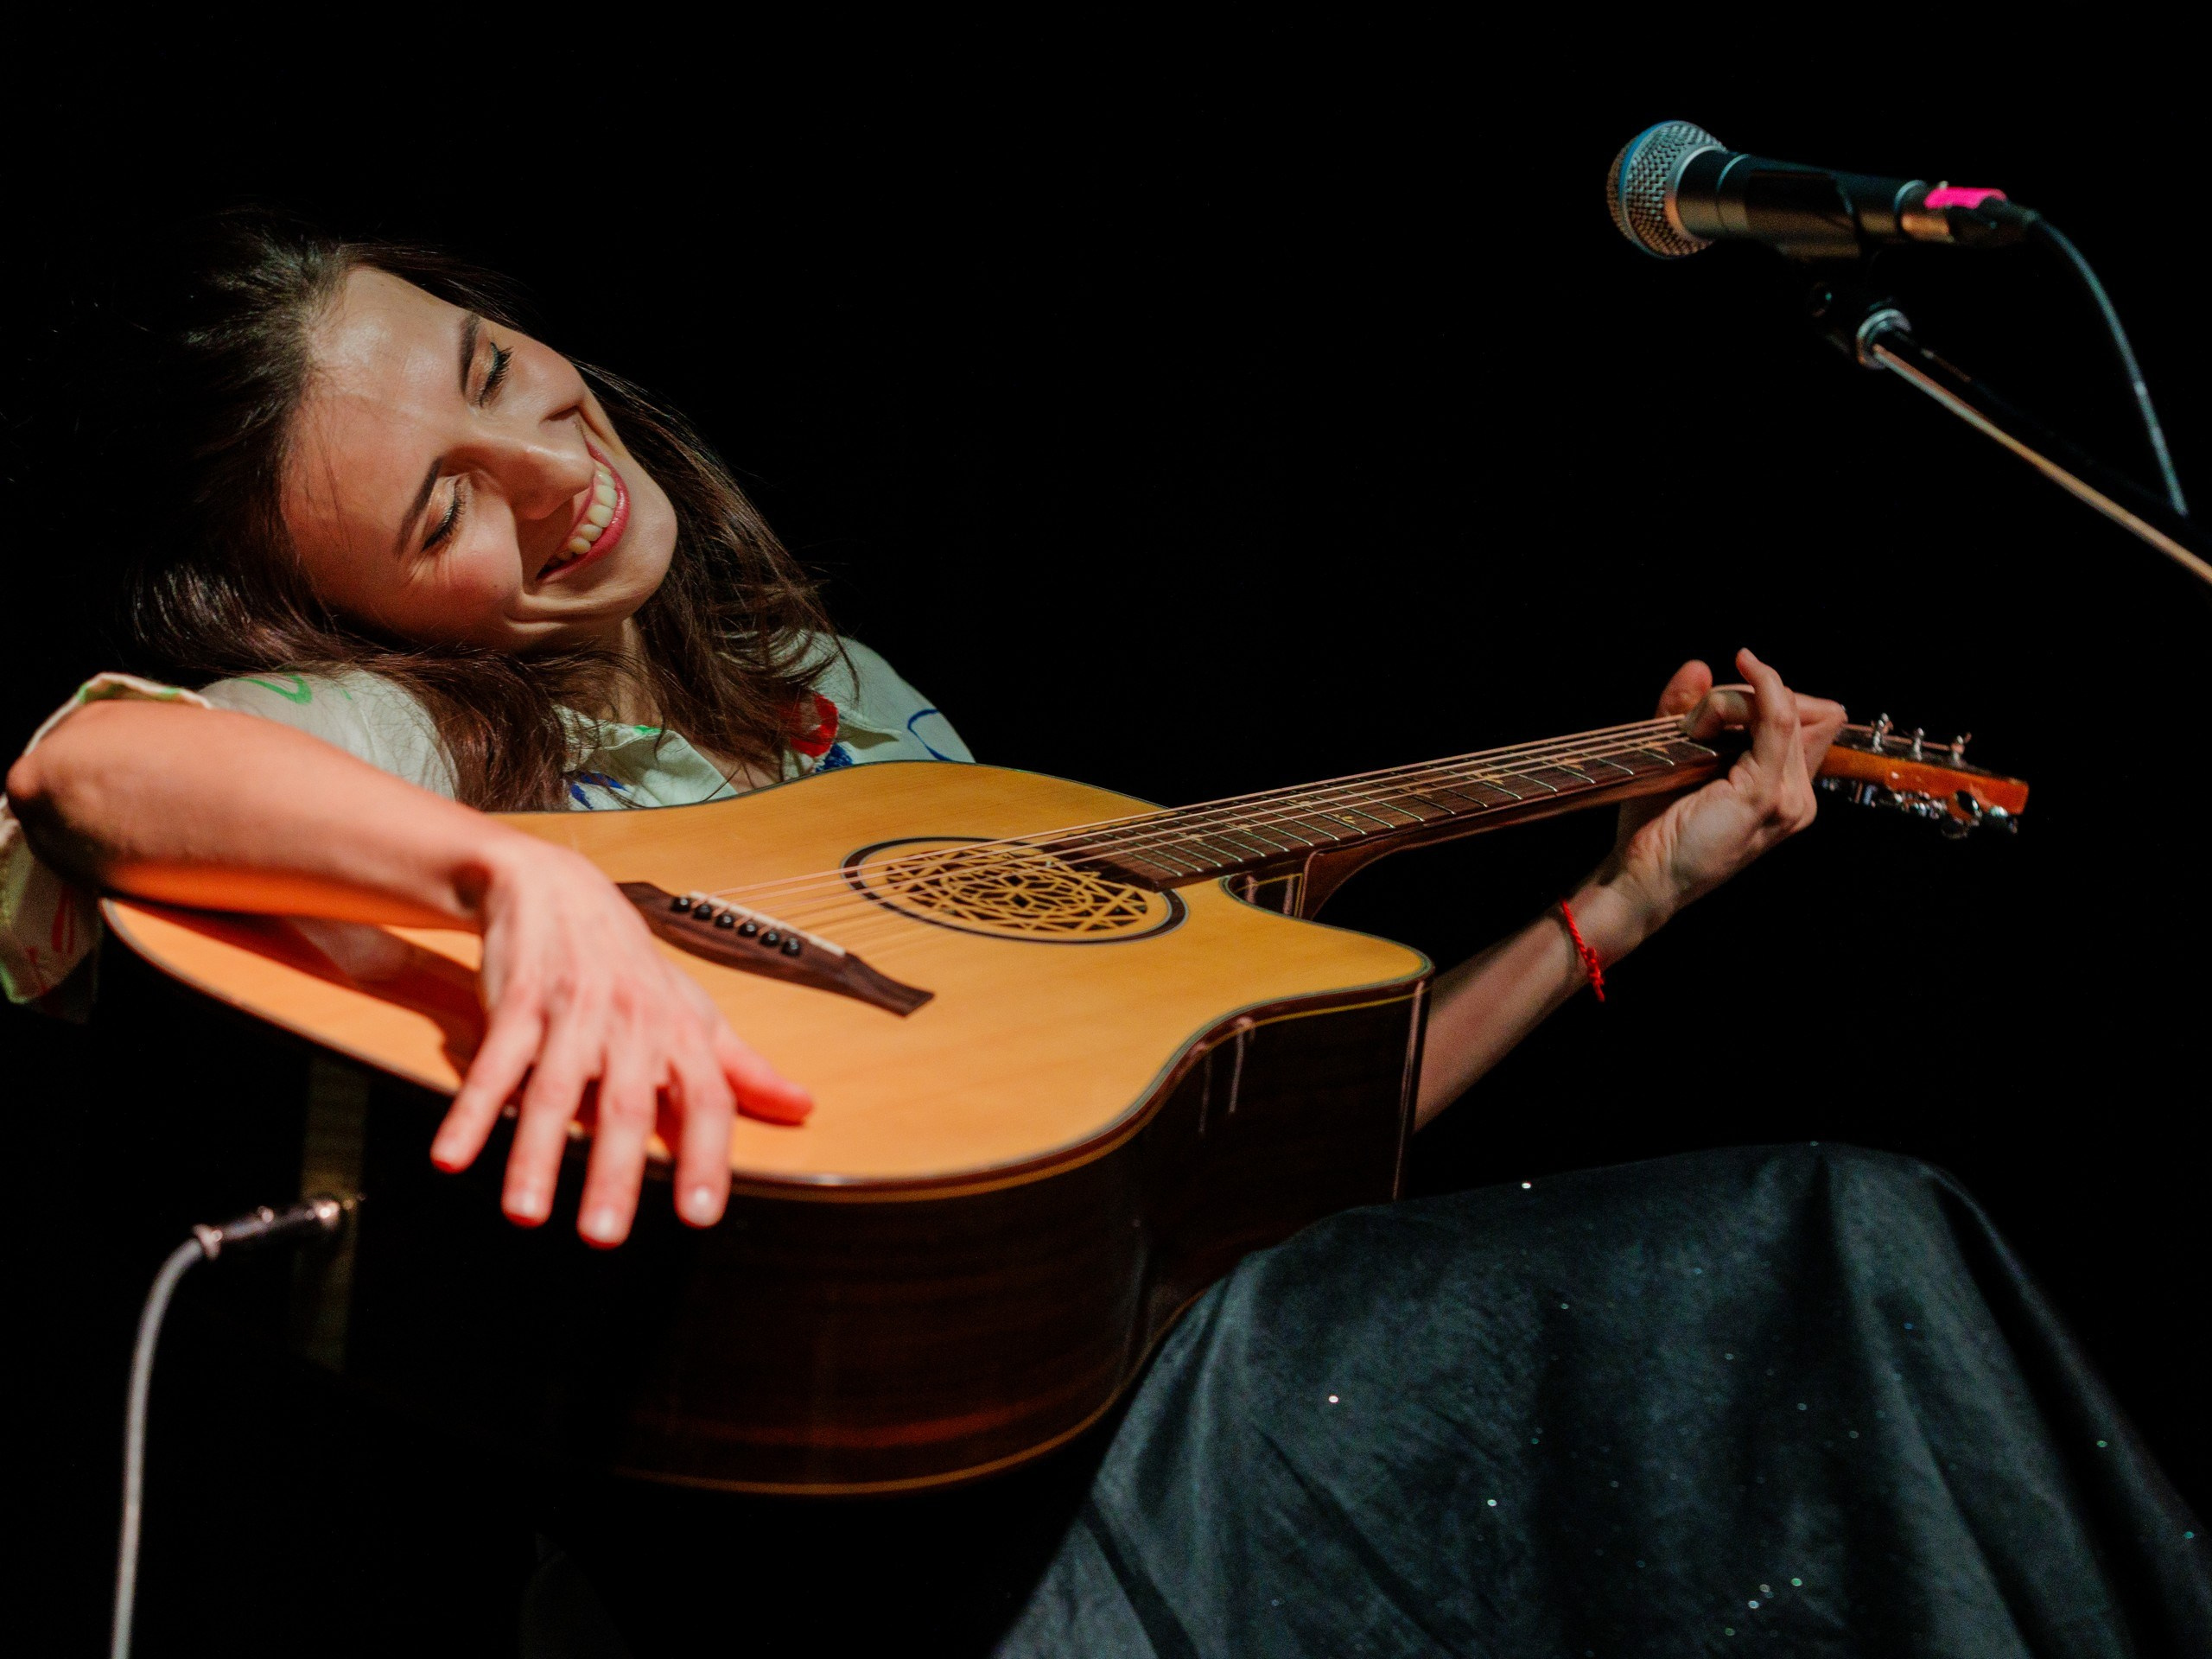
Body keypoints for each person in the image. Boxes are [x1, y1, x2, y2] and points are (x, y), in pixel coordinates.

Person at [4, 214, 2202, 1656]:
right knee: (1827, 1245)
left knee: (1839, 1244)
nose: (543, 463)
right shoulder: (430, 738)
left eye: (497, 368)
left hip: (1201, 1396)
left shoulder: (836, 703)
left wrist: (1629, 892)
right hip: (921, 1554)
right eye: (442, 510)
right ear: (361, 615)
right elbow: (87, 772)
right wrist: (516, 880)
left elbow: (1201, 1155)